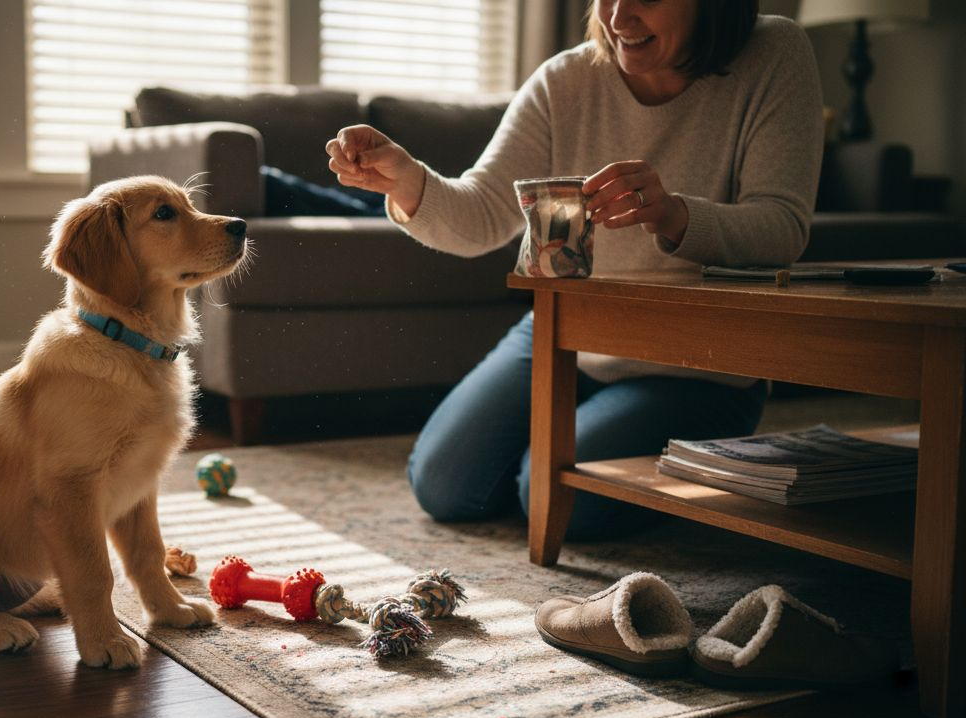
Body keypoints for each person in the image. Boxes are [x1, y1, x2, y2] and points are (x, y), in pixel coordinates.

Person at [325, 0, 823, 540]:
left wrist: (674, 214)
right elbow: (483, 213)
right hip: (568, 329)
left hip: (693, 363)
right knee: (444, 485)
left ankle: (589, 459)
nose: (618, 17)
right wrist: (405, 179)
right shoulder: (565, 79)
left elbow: (782, 229)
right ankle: (561, 454)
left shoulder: (774, 52)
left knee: (551, 498)